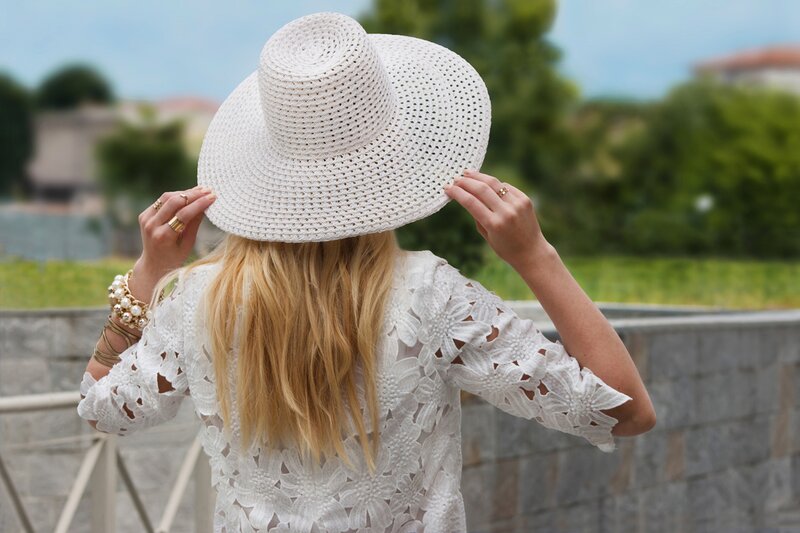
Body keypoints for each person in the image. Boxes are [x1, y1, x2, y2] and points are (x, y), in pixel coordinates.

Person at [77, 11, 656, 533]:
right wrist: (535, 257)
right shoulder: (430, 297)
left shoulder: (196, 299)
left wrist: (148, 275)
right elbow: (627, 413)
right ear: (398, 152)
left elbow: (101, 408)